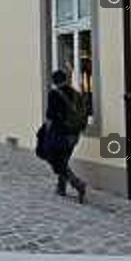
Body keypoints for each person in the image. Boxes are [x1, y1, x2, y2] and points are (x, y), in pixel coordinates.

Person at [45, 70, 88, 203]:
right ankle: (61, 187)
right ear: (66, 79)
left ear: (54, 81)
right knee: (64, 159)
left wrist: (47, 132)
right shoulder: (76, 94)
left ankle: (77, 184)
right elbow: (84, 112)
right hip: (74, 133)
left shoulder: (53, 94)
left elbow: (50, 116)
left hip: (59, 133)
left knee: (56, 160)